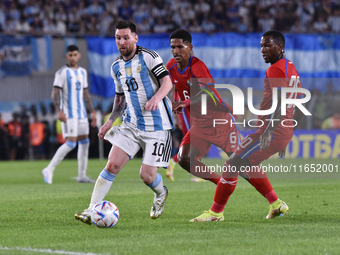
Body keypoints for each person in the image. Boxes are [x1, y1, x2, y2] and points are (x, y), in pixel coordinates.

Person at [191, 30, 305, 222]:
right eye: (261, 45)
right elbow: (300, 102)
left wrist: (270, 132)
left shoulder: (275, 68)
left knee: (231, 164)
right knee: (246, 165)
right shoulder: (290, 67)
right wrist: (288, 132)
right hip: (280, 130)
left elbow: (279, 103)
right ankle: (276, 204)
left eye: (268, 45)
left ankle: (215, 213)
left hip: (271, 130)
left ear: (280, 47)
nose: (263, 49)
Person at [74, 20, 173, 224]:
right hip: (131, 124)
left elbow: (167, 83)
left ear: (135, 38)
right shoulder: (116, 67)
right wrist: (109, 122)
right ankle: (91, 209)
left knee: (146, 175)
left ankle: (161, 193)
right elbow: (120, 98)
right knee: (112, 165)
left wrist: (156, 98)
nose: (122, 41)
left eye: (126, 37)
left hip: (156, 126)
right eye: (118, 38)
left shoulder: (149, 57)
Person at [167, 29, 241, 184]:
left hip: (216, 117)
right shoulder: (171, 66)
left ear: (189, 47)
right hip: (196, 118)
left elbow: (208, 92)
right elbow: (173, 87)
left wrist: (185, 103)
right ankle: (219, 182)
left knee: (239, 161)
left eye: (179, 47)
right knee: (186, 157)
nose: (175, 51)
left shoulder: (198, 67)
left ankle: (273, 198)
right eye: (173, 47)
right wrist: (176, 108)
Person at [42, 45, 97, 184]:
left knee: (85, 143)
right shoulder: (62, 72)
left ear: (79, 56)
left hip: (82, 115)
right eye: (70, 55)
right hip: (69, 114)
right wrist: (59, 111)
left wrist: (93, 112)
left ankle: (82, 176)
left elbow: (86, 94)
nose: (73, 57)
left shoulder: (83, 72)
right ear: (67, 57)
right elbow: (54, 93)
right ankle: (49, 169)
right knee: (71, 144)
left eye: (75, 55)